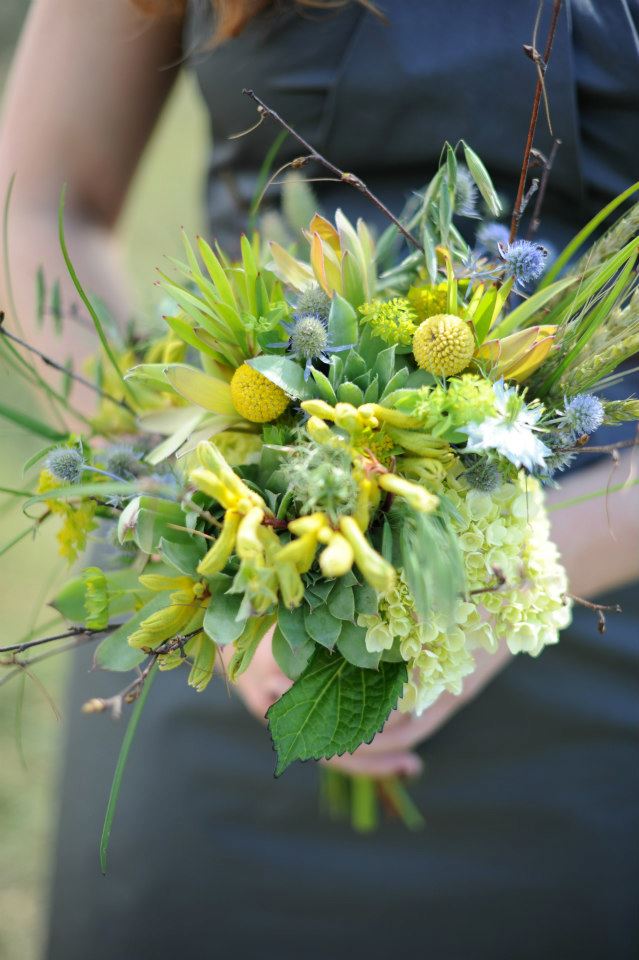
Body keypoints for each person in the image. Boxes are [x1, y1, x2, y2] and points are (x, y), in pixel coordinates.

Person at [0, 1, 638, 957]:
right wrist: (192, 494)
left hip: (600, 633)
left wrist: (514, 572)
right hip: (236, 620)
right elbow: (39, 196)